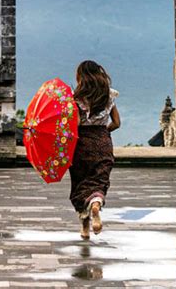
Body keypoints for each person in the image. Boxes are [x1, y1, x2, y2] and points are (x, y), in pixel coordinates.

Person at [69, 60, 121, 239]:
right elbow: (117, 123)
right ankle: (96, 205)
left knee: (80, 183)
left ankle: (84, 226)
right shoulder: (110, 95)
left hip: (81, 144)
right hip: (102, 142)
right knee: (99, 181)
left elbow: (75, 124)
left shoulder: (76, 99)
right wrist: (103, 132)